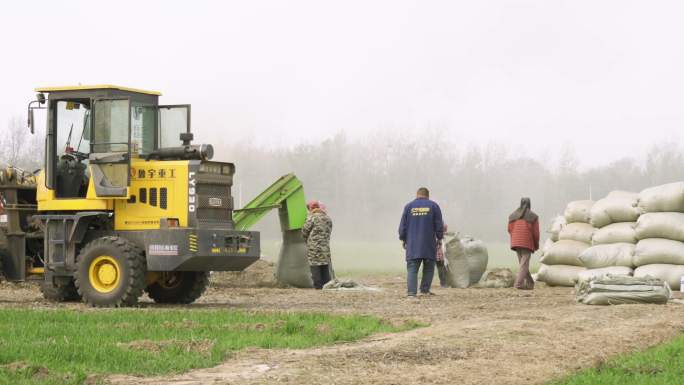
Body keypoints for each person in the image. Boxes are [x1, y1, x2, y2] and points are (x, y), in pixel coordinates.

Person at [398, 187, 444, 297]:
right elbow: (439, 225)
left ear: (417, 195)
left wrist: (403, 239)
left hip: (413, 244)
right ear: (428, 195)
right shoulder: (434, 206)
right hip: (429, 243)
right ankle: (424, 290)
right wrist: (439, 237)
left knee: (412, 268)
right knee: (428, 267)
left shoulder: (408, 207)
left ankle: (411, 293)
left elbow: (402, 227)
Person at [507, 197, 540, 290]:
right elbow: (536, 233)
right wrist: (536, 245)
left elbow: (509, 229)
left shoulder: (513, 216)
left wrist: (515, 237)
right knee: (524, 264)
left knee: (523, 264)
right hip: (526, 242)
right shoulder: (533, 217)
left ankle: (530, 283)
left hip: (515, 242)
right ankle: (518, 284)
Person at [302, 200, 333, 289]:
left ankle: (318, 286)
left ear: (311, 208)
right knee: (324, 265)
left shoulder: (312, 218)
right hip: (325, 247)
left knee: (315, 265)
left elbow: (304, 231)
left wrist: (306, 241)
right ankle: (327, 285)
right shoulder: (328, 218)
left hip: (314, 247)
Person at [435, 224, 449, 288]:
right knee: (441, 268)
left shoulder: (440, 235)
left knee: (442, 268)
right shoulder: (438, 236)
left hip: (440, 254)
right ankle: (443, 283)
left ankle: (444, 282)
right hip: (439, 254)